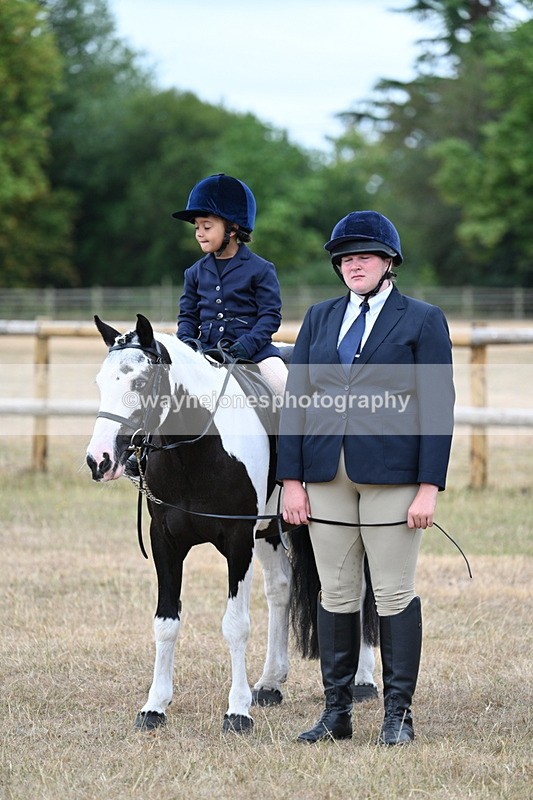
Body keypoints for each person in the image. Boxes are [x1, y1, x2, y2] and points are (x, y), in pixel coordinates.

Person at [276, 210, 454, 746]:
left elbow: (438, 407)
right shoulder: (320, 318)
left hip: (394, 479)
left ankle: (397, 715)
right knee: (336, 592)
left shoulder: (422, 319)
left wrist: (429, 487)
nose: (354, 265)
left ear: (388, 263)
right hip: (325, 476)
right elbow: (296, 403)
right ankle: (337, 713)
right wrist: (290, 480)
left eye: (365, 257)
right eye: (346, 258)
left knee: (394, 594)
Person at [173, 173, 287, 396]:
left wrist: (247, 345)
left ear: (232, 229)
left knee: (284, 387)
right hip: (205, 352)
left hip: (254, 353)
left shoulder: (261, 269)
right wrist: (186, 343)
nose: (199, 233)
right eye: (196, 227)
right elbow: (187, 316)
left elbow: (270, 317)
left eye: (206, 226)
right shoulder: (194, 272)